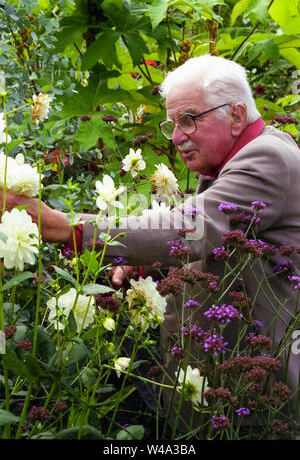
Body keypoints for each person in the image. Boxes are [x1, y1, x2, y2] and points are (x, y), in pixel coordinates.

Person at [1, 55, 300, 429]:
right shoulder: (229, 161)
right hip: (224, 387)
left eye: (189, 119)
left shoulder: (268, 157)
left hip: (255, 401)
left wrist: (67, 227)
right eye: (172, 124)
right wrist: (149, 265)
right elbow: (219, 242)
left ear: (236, 115)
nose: (177, 137)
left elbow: (190, 227)